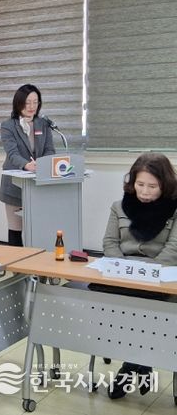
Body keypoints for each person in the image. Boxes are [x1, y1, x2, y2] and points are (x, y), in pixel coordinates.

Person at [101, 152, 177, 399]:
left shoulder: (175, 209)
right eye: (140, 184)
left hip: (161, 278)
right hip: (123, 276)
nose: (144, 192)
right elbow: (110, 243)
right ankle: (141, 364)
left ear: (165, 185)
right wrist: (124, 271)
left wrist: (147, 275)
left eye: (152, 186)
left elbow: (173, 250)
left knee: (148, 306)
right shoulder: (119, 207)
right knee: (115, 304)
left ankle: (131, 365)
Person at [0, 84, 55, 246]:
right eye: (27, 102)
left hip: (38, 184)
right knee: (15, 230)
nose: (32, 106)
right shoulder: (8, 126)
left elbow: (50, 149)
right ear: (19, 103)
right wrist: (26, 165)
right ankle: (16, 262)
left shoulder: (43, 124)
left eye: (35, 102)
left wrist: (43, 164)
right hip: (14, 185)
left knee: (39, 229)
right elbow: (12, 154)